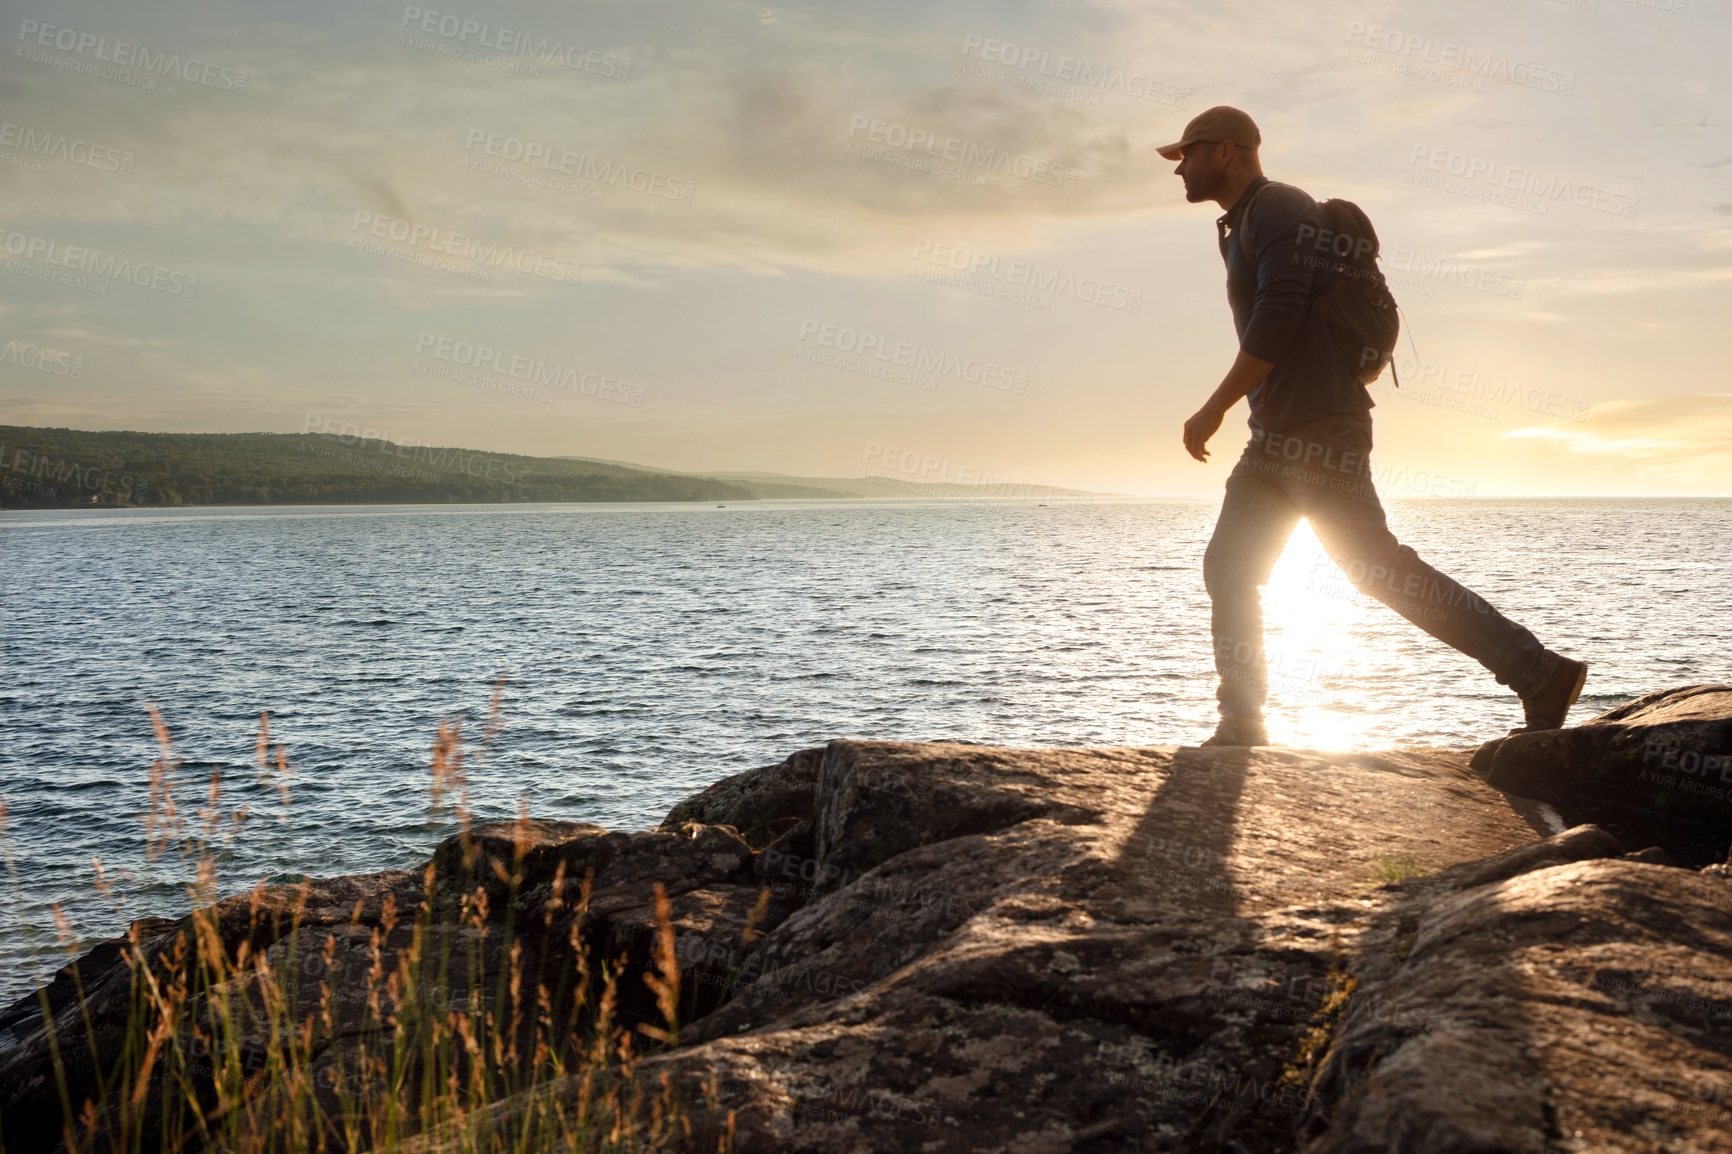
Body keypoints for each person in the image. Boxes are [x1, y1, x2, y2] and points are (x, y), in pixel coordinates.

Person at [1160, 105, 1587, 747]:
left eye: (1186, 154)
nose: (1179, 168)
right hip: (1275, 435)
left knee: (1371, 565)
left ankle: (1538, 672)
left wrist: (1213, 406)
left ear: (1225, 151)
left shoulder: (1279, 210)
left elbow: (1275, 321)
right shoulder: (1239, 224)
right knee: (1229, 565)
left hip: (1322, 429)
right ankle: (1242, 719)